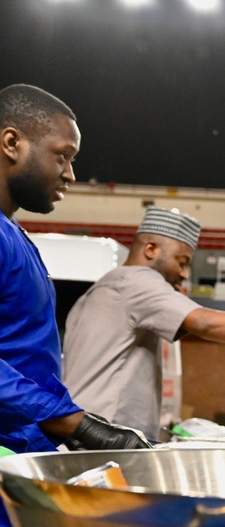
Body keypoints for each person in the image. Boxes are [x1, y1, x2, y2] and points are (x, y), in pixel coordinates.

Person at [63, 206, 225, 438]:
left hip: (85, 430)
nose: (185, 274)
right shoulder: (137, 281)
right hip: (105, 435)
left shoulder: (103, 289)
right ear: (151, 249)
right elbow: (204, 322)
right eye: (181, 262)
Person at [0, 83, 149, 478]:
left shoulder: (14, 235)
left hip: (21, 453)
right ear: (12, 143)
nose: (70, 174)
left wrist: (81, 421)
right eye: (62, 156)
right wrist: (70, 422)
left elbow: (26, 360)